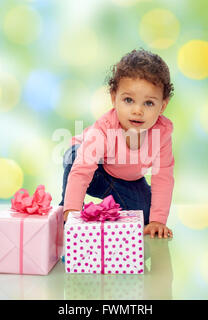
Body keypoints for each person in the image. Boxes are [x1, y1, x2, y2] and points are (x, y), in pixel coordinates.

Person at [59, 48, 175, 239]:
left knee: (146, 217)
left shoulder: (162, 133)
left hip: (127, 180)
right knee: (75, 155)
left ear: (162, 106)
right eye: (128, 100)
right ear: (114, 98)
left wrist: (158, 220)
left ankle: (102, 211)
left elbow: (163, 177)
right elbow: (82, 169)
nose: (137, 110)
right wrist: (71, 210)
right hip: (96, 171)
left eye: (148, 103)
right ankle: (66, 211)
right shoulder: (105, 129)